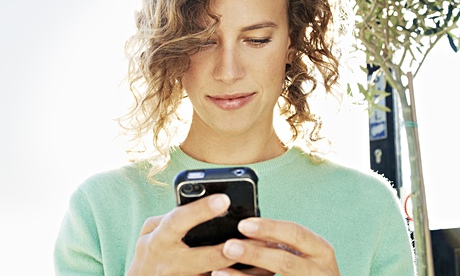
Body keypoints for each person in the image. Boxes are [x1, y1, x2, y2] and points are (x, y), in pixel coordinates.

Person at [54, 0, 416, 275]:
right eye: (203, 41)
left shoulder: (371, 207)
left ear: (291, 45)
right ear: (174, 49)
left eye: (256, 39)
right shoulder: (99, 208)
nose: (228, 71)